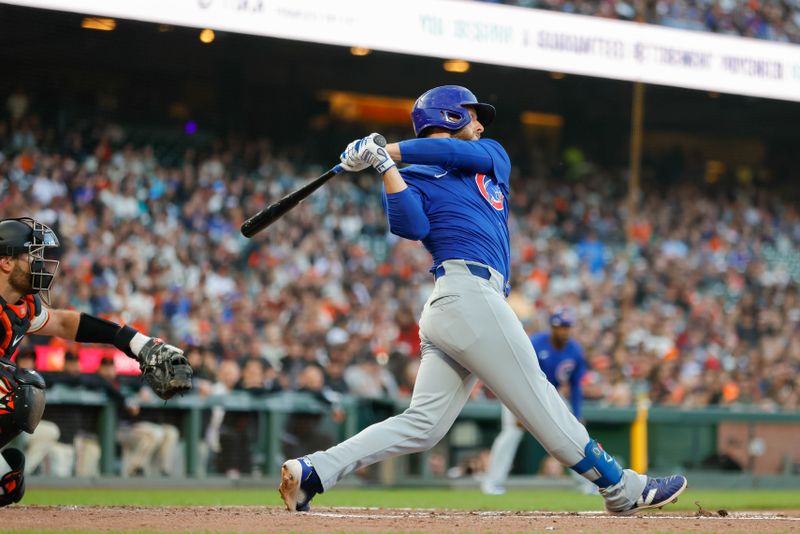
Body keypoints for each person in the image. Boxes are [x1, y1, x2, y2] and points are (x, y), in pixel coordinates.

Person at [277, 85, 687, 515]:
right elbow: (412, 226)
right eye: (472, 115)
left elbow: (451, 156)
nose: (480, 123)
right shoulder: (408, 176)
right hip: (463, 294)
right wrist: (384, 167)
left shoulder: (490, 155)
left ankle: (315, 470)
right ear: (449, 116)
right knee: (536, 397)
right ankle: (621, 487)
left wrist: (387, 150)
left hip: (464, 304)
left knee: (423, 425)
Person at [0, 217, 192, 507]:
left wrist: (135, 342)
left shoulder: (20, 306)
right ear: (6, 262)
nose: (40, 263)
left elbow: (65, 323)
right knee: (19, 391)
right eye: (31, 255)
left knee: (8, 484)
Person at [482, 306, 590, 495]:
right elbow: (517, 372)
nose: (564, 331)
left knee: (575, 432)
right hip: (518, 389)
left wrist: (577, 413)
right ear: (552, 327)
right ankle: (492, 481)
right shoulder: (537, 343)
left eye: (567, 326)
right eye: (560, 327)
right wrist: (518, 408)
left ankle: (586, 483)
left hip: (550, 393)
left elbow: (575, 386)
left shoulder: (574, 350)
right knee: (510, 434)